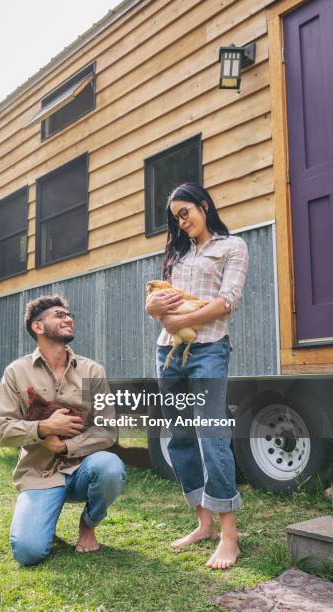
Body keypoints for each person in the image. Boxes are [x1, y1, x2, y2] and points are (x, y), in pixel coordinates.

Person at [146, 183, 248, 570]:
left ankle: (229, 536)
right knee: (180, 435)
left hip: (208, 348)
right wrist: (152, 309)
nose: (181, 221)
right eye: (176, 217)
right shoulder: (177, 252)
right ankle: (202, 523)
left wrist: (180, 318)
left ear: (204, 206)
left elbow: (227, 302)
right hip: (167, 351)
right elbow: (156, 300)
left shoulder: (231, 246)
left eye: (185, 211)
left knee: (212, 434)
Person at [0, 295, 125, 566]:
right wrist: (43, 428)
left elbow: (108, 430)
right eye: (59, 315)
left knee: (110, 467)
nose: (68, 318)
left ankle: (88, 525)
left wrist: (66, 446)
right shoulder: (16, 372)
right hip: (38, 475)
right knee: (28, 552)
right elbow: (0, 431)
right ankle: (43, 516)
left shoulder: (92, 371)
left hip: (83, 471)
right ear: (38, 327)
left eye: (69, 314)